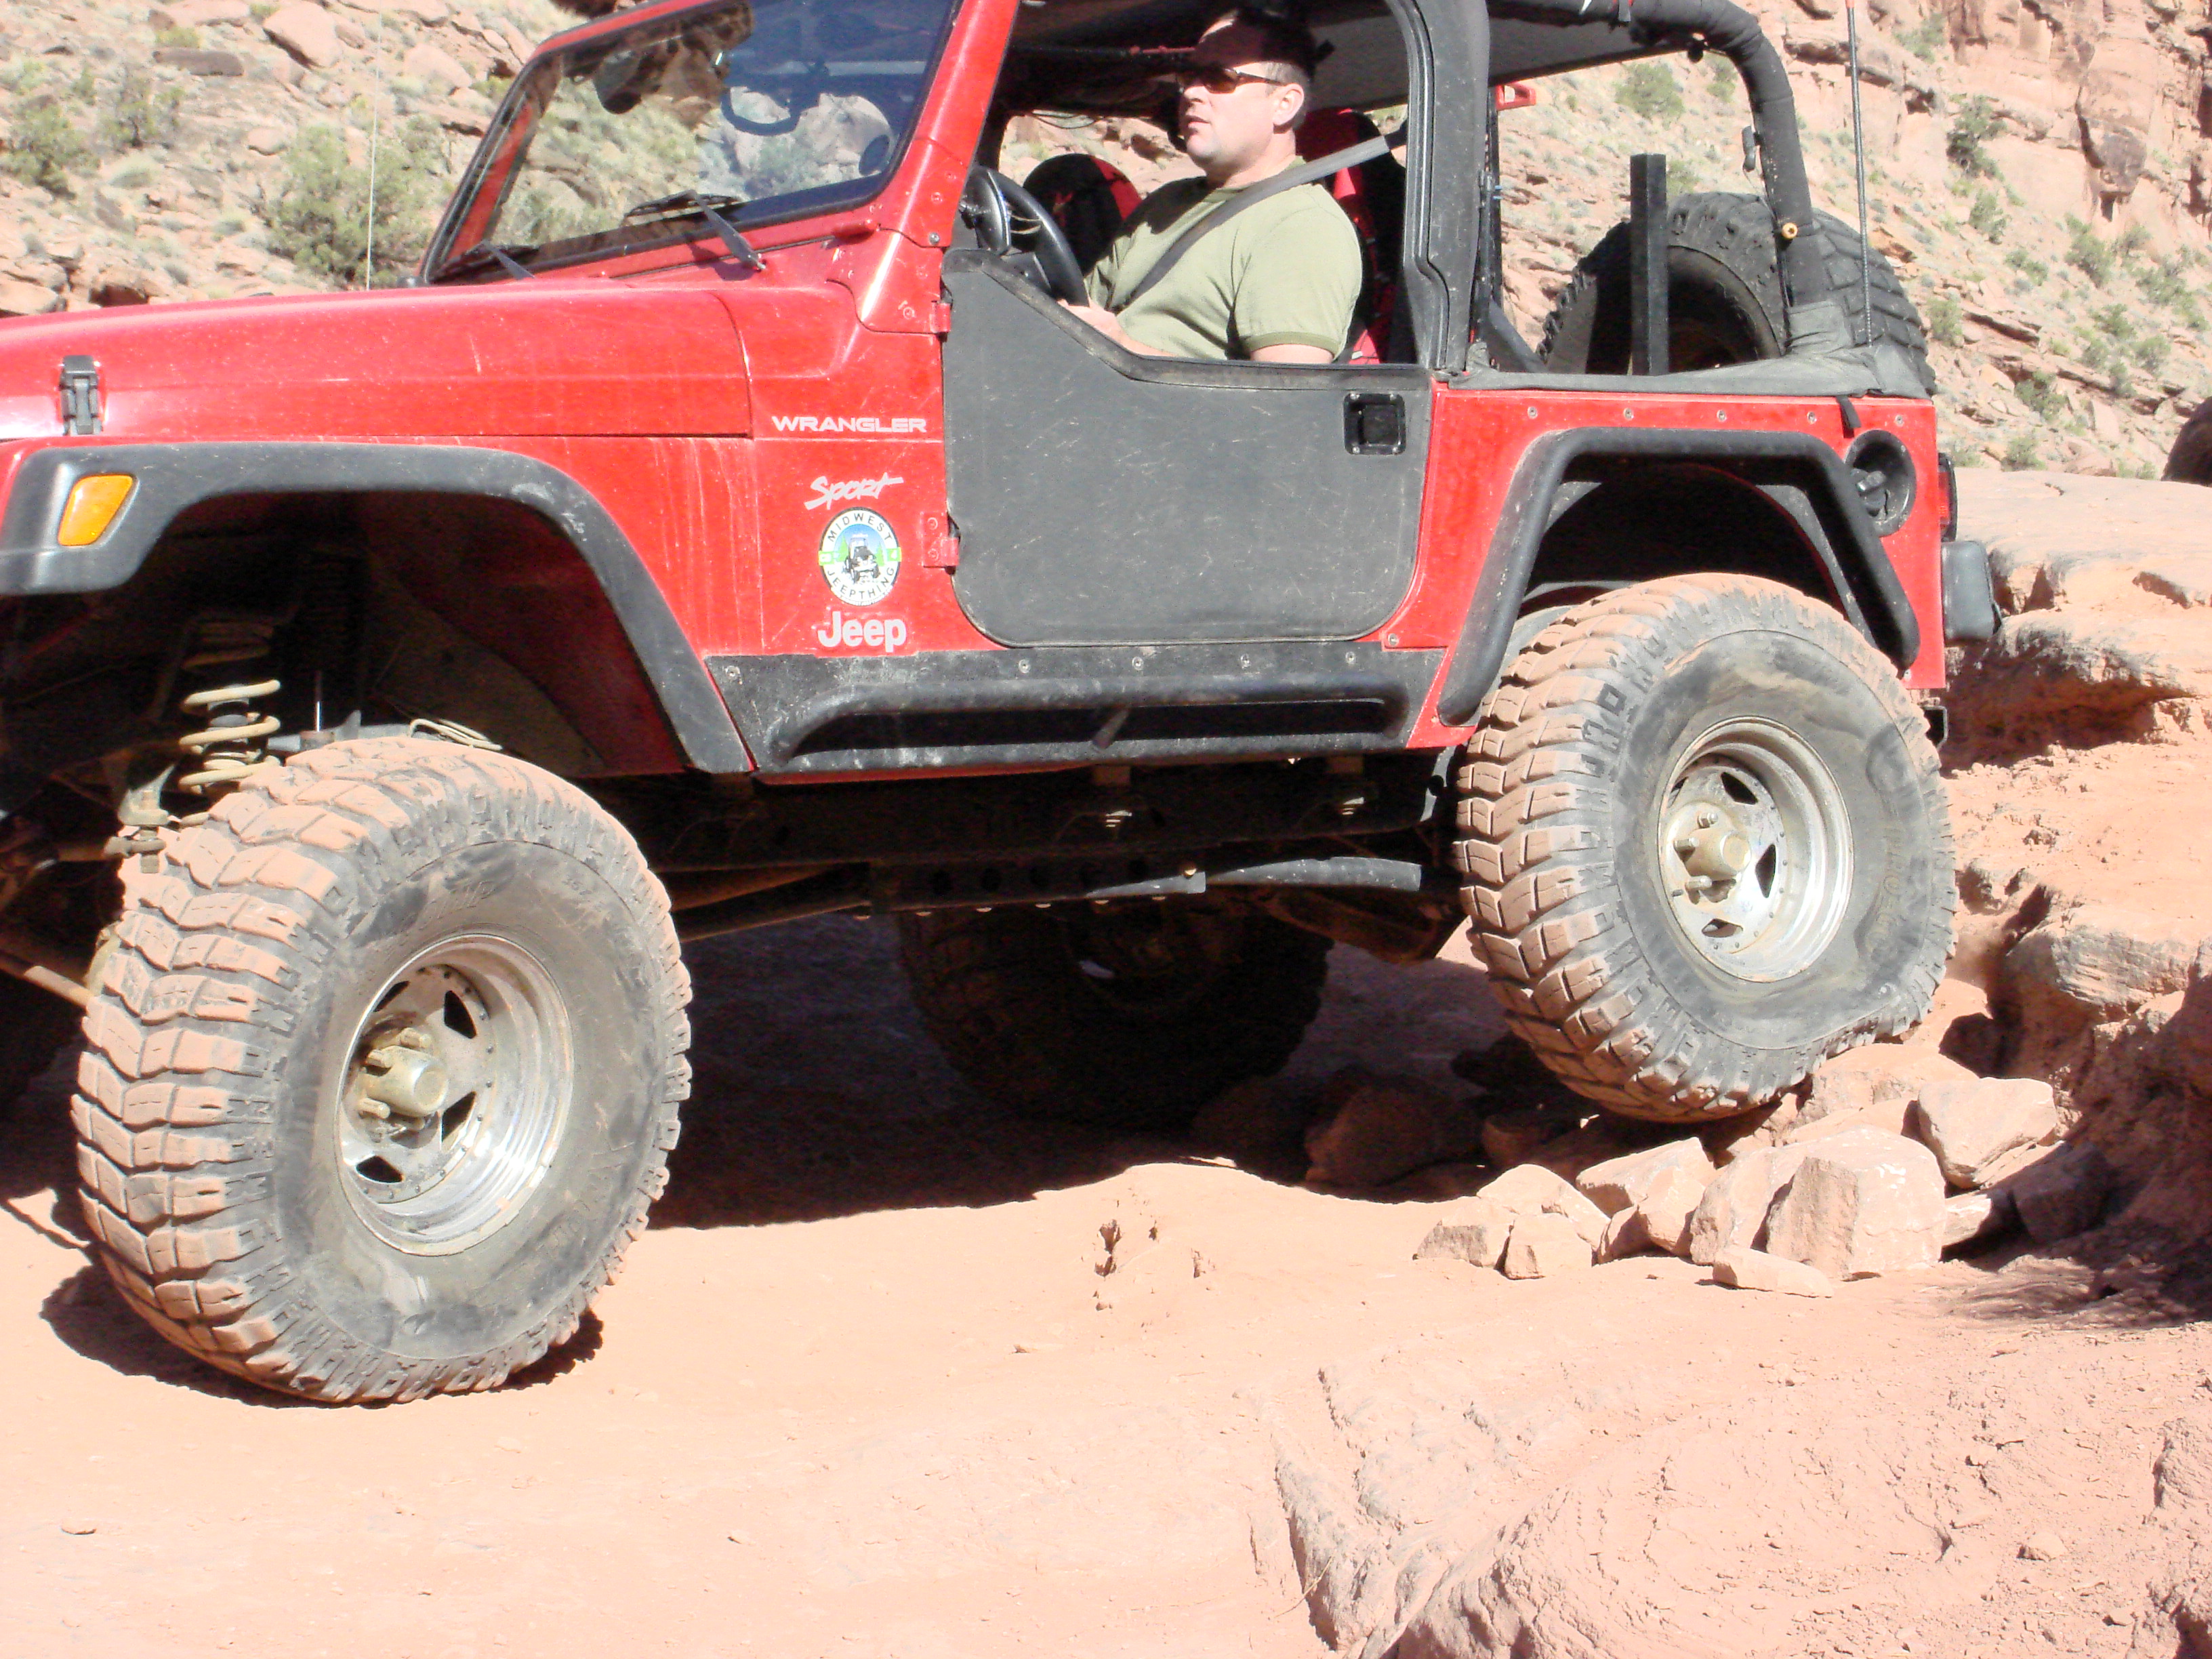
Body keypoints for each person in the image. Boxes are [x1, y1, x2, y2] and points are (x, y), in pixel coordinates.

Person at [1062, 7, 1360, 363]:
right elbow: (1086, 309)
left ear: (1284, 104)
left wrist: (1121, 348)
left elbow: (1288, 390)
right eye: (1190, 76)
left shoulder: (1301, 225)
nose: (1191, 93)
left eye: (1219, 78)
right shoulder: (1165, 203)